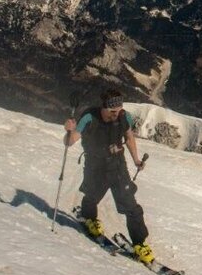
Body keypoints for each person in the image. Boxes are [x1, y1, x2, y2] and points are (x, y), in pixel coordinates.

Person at [64, 88, 155, 264]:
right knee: (92, 195)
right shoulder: (89, 117)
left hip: (118, 165)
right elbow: (70, 141)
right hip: (95, 166)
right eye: (113, 111)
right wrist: (68, 130)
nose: (117, 114)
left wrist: (136, 159)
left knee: (130, 205)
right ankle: (89, 218)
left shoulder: (123, 117)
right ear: (103, 108)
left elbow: (129, 137)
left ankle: (140, 244)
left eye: (119, 109)